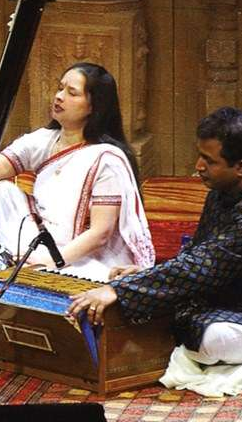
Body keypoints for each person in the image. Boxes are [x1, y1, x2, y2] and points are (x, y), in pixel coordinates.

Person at [68, 107, 242, 385]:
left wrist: (119, 290)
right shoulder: (220, 194)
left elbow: (201, 267)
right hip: (222, 302)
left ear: (239, 167)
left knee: (211, 338)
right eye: (200, 155)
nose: (198, 166)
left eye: (209, 160)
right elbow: (198, 254)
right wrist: (145, 275)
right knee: (184, 324)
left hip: (232, 309)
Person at [0, 62, 153, 281]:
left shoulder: (107, 158)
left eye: (72, 93)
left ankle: (33, 269)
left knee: (96, 279)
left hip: (83, 255)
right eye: (60, 88)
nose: (59, 97)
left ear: (94, 106)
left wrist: (51, 261)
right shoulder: (43, 140)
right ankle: (8, 262)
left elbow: (100, 233)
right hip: (41, 240)